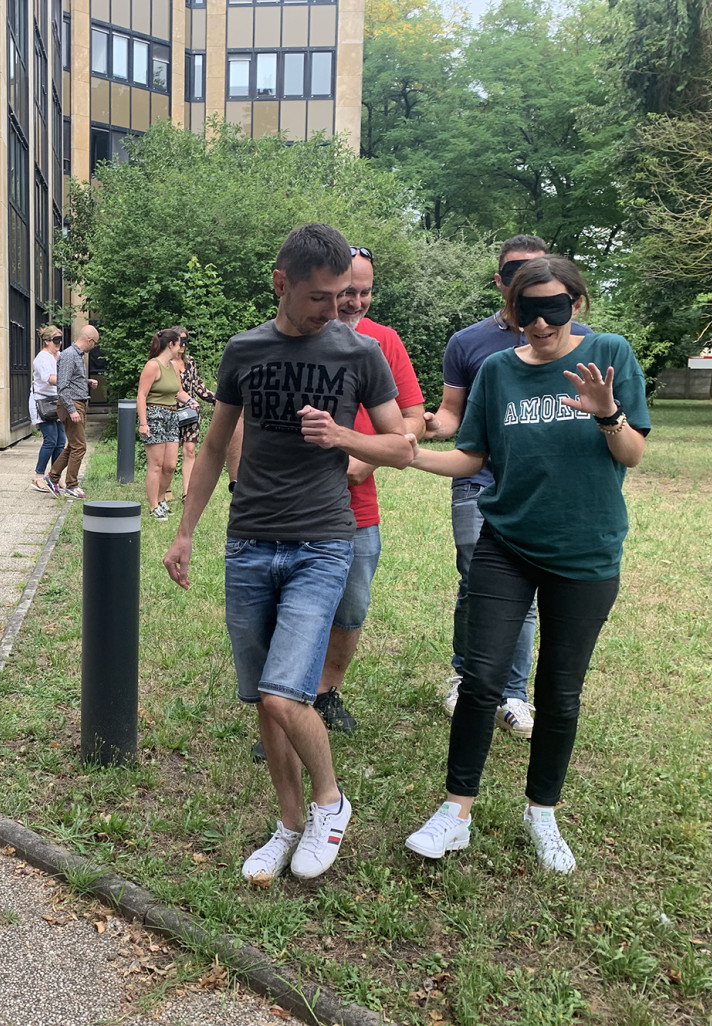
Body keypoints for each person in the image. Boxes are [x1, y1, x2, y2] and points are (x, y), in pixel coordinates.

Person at [163, 224, 412, 882]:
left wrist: (341, 437)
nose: (334, 310)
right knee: (261, 698)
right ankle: (288, 823)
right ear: (282, 283)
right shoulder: (245, 351)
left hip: (322, 544)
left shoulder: (359, 355)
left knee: (282, 693)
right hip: (247, 545)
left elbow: (402, 447)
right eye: (320, 298)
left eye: (341, 297)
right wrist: (186, 531)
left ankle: (330, 803)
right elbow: (215, 447)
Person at [403, 255, 648, 873]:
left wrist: (606, 412)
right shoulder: (495, 371)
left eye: (554, 308)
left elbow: (634, 452)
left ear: (577, 304)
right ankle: (455, 812)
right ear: (511, 312)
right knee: (482, 680)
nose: (541, 323)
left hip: (586, 551)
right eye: (527, 310)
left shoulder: (611, 354)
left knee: (559, 693)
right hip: (506, 544)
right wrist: (402, 459)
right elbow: (470, 457)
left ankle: (542, 813)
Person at [423, 235, 590, 738]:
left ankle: (513, 694)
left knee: (529, 589)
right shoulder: (468, 343)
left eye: (534, 269)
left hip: (542, 488)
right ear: (500, 281)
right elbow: (452, 416)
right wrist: (409, 428)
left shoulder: (578, 338)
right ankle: (466, 674)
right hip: (477, 480)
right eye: (513, 271)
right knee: (478, 580)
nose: (523, 278)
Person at [314, 246, 426, 731]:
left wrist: (366, 460)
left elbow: (414, 417)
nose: (357, 302)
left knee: (351, 606)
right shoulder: (297, 336)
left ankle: (325, 693)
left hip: (358, 505)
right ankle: (288, 704)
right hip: (297, 503)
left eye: (366, 292)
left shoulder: (384, 341)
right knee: (295, 605)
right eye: (347, 293)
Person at [135, 327, 192, 520]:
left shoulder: (174, 366)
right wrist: (143, 423)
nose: (182, 347)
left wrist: (191, 401)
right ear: (171, 344)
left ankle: (161, 499)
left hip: (172, 415)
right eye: (180, 343)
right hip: (155, 415)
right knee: (156, 465)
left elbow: (178, 391)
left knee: (170, 465)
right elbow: (141, 395)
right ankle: (153, 506)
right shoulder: (153, 365)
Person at [48, 325, 100, 498]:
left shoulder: (75, 355)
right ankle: (71, 485)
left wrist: (86, 382)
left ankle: (53, 477)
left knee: (73, 445)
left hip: (77, 403)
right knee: (80, 447)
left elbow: (72, 379)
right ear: (90, 340)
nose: (94, 347)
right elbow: (62, 385)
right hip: (72, 405)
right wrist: (72, 410)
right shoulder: (70, 355)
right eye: (95, 343)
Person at [168, 326, 217, 507]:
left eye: (185, 340)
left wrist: (216, 399)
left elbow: (198, 386)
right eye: (179, 339)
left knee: (190, 451)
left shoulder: (190, 362)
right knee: (169, 459)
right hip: (171, 412)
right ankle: (165, 490)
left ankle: (187, 493)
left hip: (189, 413)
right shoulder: (164, 363)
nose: (183, 344)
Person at [30, 325, 66, 495]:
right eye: (55, 340)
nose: (58, 343)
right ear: (47, 341)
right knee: (50, 440)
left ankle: (54, 477)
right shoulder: (42, 358)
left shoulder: (59, 356)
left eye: (60, 339)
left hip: (56, 401)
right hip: (43, 403)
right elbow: (49, 379)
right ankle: (38, 476)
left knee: (61, 441)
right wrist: (67, 382)